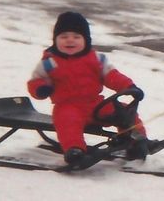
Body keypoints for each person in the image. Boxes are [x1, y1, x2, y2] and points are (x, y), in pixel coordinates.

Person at [27, 11, 152, 167]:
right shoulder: (49, 63)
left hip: (95, 104)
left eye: (76, 37)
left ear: (86, 40)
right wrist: (40, 88)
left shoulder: (97, 60)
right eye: (64, 36)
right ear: (55, 40)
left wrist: (129, 86)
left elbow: (112, 76)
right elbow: (35, 81)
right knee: (67, 122)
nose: (70, 40)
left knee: (125, 112)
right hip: (68, 105)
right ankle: (75, 150)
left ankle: (137, 141)